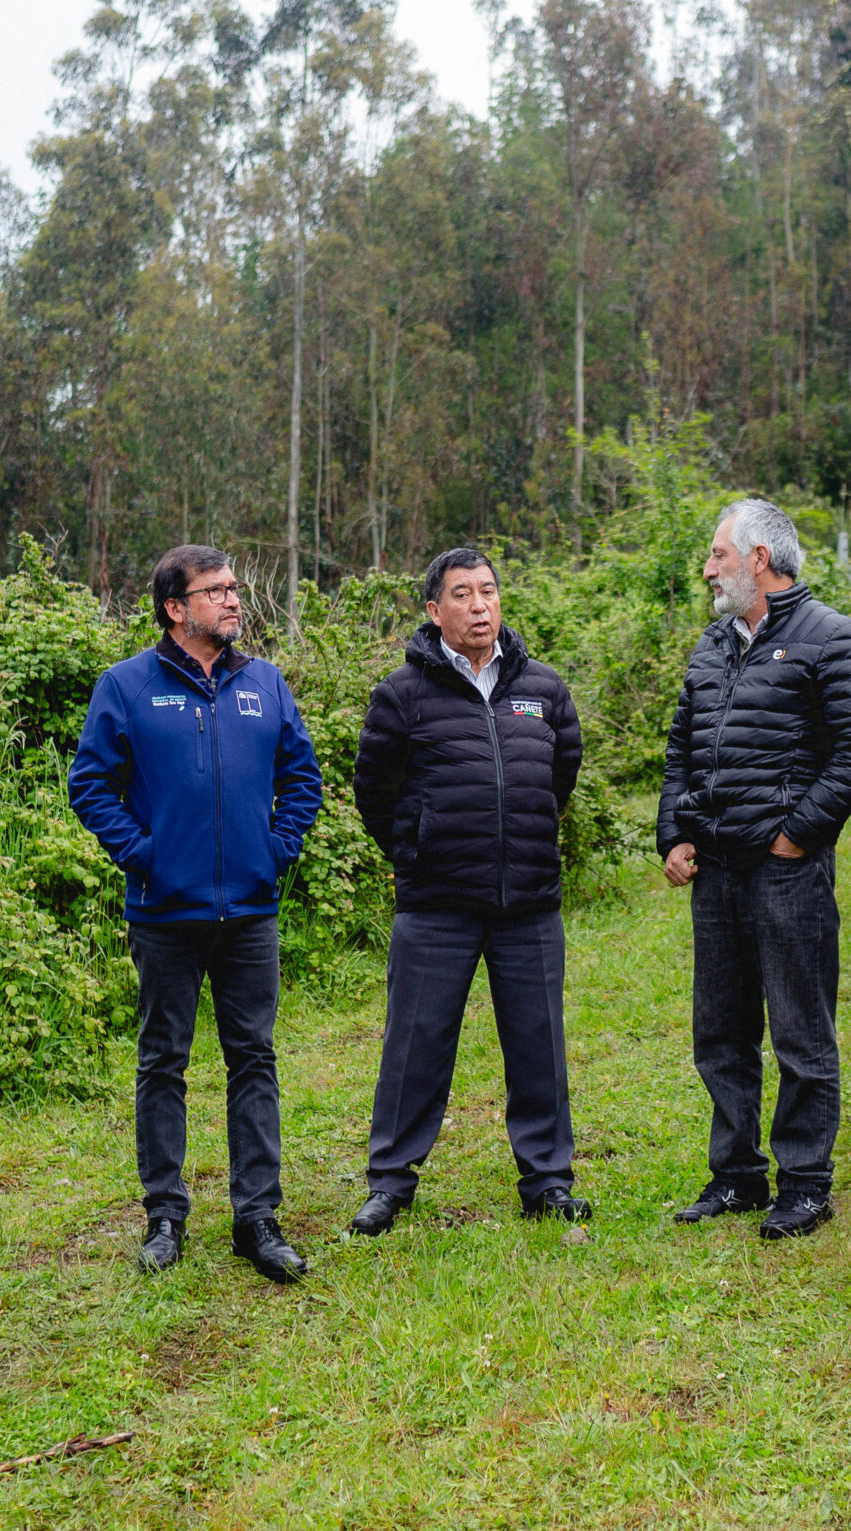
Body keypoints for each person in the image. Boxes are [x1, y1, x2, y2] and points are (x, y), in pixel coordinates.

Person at [69, 545, 324, 1284]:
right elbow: (90, 786)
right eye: (216, 591)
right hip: (164, 912)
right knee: (163, 1061)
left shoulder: (265, 684)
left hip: (250, 910)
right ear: (175, 607)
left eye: (235, 589)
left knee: (254, 1057)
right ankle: (165, 1216)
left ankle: (258, 1219)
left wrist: (274, 851)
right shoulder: (126, 687)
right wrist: (146, 854)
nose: (234, 601)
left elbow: (301, 776)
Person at [658, 499, 851, 1240]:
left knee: (799, 1030)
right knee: (720, 1030)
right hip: (716, 867)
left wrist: (797, 835)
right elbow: (681, 748)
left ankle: (806, 1183)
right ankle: (736, 1176)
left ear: (759, 558)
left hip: (785, 871)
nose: (707, 569)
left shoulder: (833, 639)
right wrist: (676, 832)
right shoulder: (712, 644)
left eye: (718, 555)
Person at [346, 548, 589, 1235]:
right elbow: (374, 790)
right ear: (434, 611)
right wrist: (413, 847)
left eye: (489, 591)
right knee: (414, 1046)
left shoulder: (542, 688)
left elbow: (559, 775)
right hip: (437, 904)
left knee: (538, 1043)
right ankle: (390, 1183)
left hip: (529, 903)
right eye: (462, 594)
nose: (480, 605)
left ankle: (547, 1180)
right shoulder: (402, 694)